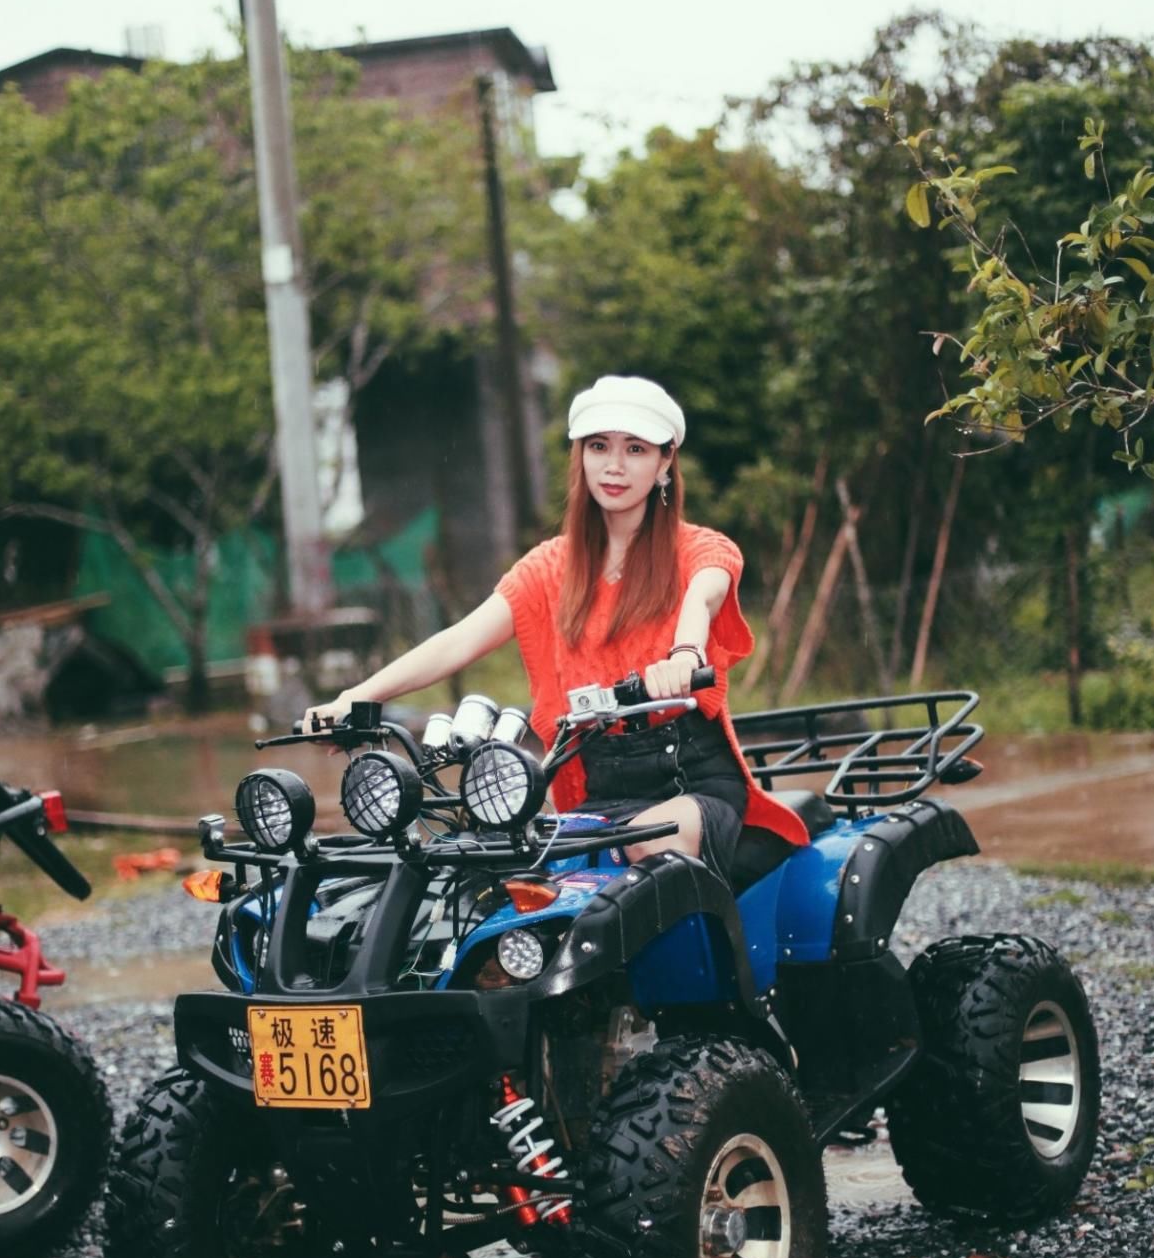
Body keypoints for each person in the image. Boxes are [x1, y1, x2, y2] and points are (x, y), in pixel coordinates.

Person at [307, 375, 808, 882]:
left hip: (691, 788)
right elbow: (457, 640)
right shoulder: (549, 568)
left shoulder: (698, 549)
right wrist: (356, 696)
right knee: (490, 871)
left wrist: (683, 657)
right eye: (599, 446)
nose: (614, 465)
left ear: (664, 462)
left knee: (650, 840)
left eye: (635, 448)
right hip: (594, 794)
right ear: (581, 457)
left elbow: (704, 594)